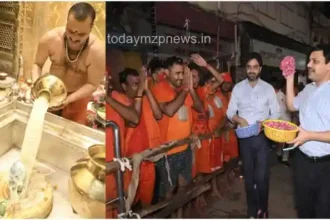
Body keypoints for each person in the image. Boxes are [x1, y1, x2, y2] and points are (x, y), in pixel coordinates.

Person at [31, 2, 105, 125]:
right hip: (50, 93)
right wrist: (36, 86)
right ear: (66, 23)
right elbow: (37, 64)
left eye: (81, 34)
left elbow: (92, 84)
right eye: (70, 31)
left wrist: (68, 100)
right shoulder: (50, 39)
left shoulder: (97, 52)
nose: (74, 38)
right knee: (44, 129)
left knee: (70, 137)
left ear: (91, 28)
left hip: (77, 100)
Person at [226, 52, 280, 218]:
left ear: (260, 69)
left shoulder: (268, 89)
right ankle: (251, 210)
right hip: (244, 139)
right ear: (245, 69)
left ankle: (263, 209)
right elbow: (229, 112)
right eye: (249, 67)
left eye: (255, 67)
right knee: (249, 177)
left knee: (262, 177)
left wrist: (264, 124)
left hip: (262, 138)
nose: (251, 70)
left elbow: (276, 113)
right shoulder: (238, 88)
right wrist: (239, 119)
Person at [151, 56, 203, 218]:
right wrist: (186, 89)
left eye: (183, 74)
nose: (181, 77)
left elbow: (200, 107)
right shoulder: (159, 88)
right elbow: (170, 110)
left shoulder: (184, 90)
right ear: (166, 72)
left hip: (185, 147)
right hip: (168, 151)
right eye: (177, 73)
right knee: (167, 193)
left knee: (183, 187)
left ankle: (178, 217)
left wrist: (191, 90)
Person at [285, 44, 330, 218]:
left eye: (315, 61)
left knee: (323, 211)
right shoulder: (308, 89)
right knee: (304, 209)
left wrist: (309, 135)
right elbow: (291, 105)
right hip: (302, 161)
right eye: (309, 61)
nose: (309, 65)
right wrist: (289, 79)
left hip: (326, 166)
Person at [274, 79, 291, 167]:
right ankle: (279, 154)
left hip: (289, 122)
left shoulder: (290, 95)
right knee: (280, 142)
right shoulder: (277, 95)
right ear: (283, 86)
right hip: (280, 123)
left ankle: (285, 158)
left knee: (288, 142)